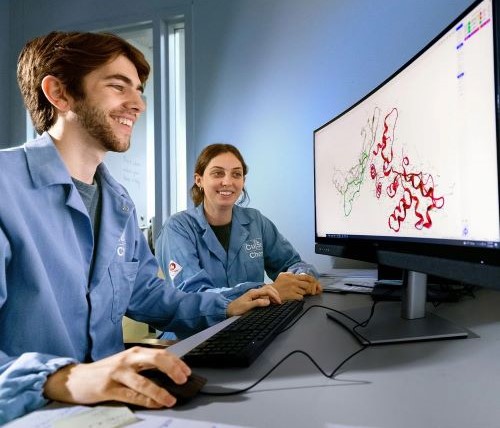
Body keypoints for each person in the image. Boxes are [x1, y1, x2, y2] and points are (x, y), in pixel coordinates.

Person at [0, 31, 281, 424]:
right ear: (60, 94)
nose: (138, 104)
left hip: (117, 412)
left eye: (139, 90)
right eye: (118, 87)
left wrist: (227, 303)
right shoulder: (5, 188)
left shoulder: (119, 204)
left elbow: (150, 295)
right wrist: (64, 378)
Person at [155, 143, 322, 303]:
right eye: (218, 173)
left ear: (243, 181)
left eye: (236, 174)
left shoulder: (255, 221)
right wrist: (268, 291)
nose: (228, 182)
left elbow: (292, 263)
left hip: (250, 323)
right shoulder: (178, 228)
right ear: (199, 180)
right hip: (195, 331)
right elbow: (192, 296)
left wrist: (300, 279)